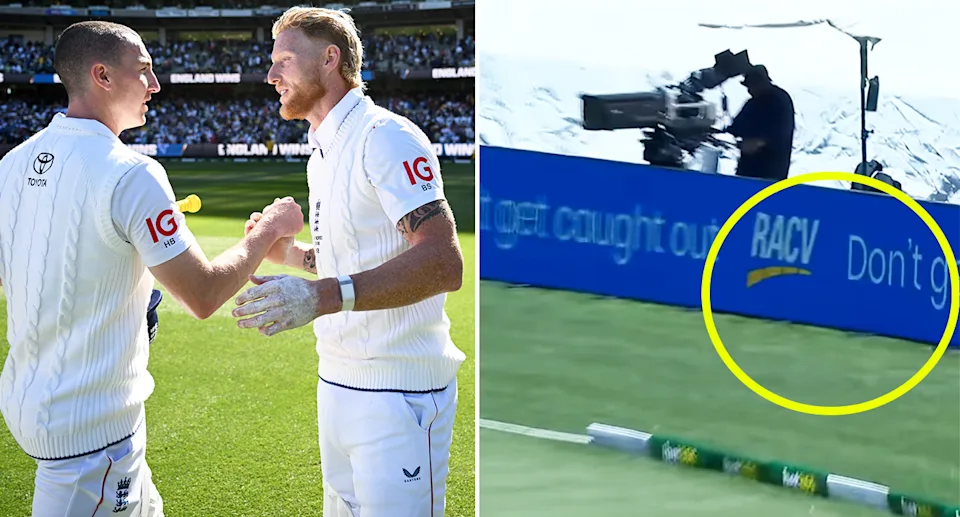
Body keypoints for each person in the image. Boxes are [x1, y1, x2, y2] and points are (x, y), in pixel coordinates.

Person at [0, 21, 304, 517]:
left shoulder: (12, 164)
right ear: (102, 75)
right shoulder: (132, 172)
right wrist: (268, 229)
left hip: (43, 411)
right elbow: (202, 294)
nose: (156, 84)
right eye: (143, 71)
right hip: (92, 435)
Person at [231, 7, 466, 516]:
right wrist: (289, 255)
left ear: (330, 59)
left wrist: (320, 297)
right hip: (336, 383)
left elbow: (443, 262)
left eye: (285, 61)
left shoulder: (386, 136)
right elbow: (362, 255)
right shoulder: (322, 150)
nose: (271, 76)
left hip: (399, 393)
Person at [724, 64, 796, 181]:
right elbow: (736, 127)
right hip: (747, 169)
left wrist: (759, 142)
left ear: (761, 83)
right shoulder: (752, 103)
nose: (749, 90)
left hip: (771, 170)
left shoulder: (780, 99)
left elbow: (782, 131)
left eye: (751, 86)